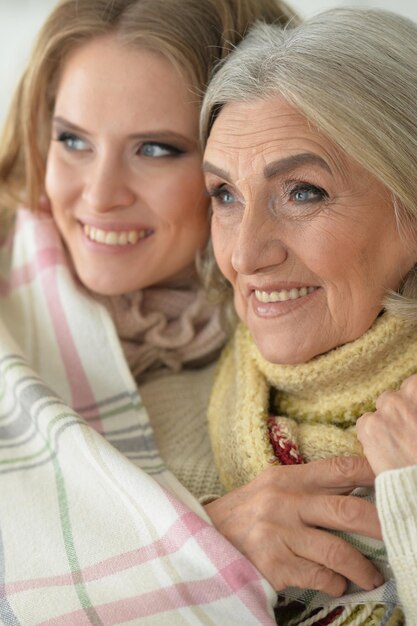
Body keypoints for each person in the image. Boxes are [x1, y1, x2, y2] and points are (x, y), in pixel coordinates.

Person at [0, 0, 384, 620]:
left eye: (155, 149)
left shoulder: (309, 341)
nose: (98, 196)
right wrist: (203, 539)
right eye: (72, 140)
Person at [201, 7, 417, 625]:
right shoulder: (160, 405)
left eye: (303, 192)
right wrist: (203, 544)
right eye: (224, 196)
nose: (244, 254)